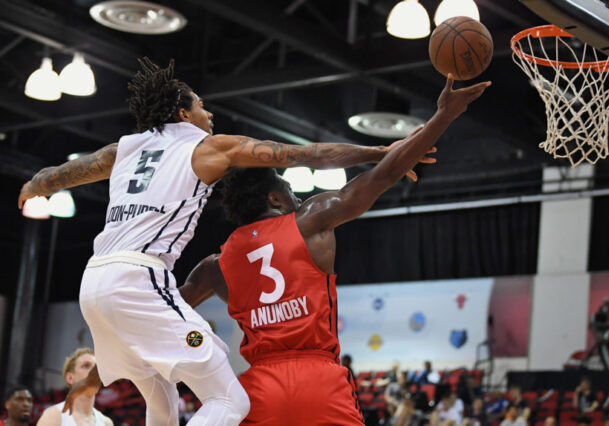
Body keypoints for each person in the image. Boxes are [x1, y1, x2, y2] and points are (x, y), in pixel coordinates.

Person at [17, 58, 422, 426]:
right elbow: (307, 154)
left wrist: (35, 185)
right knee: (230, 400)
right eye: (200, 106)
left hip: (94, 282)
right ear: (182, 114)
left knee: (159, 390)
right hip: (140, 276)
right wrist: (379, 150)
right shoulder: (208, 146)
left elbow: (64, 174)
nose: (208, 113)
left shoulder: (123, 149)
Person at [178, 74, 490, 424]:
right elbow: (384, 176)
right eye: (290, 191)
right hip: (320, 380)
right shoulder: (311, 220)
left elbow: (162, 309)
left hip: (261, 388)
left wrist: (194, 345)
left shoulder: (215, 267)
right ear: (275, 198)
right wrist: (444, 116)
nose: (298, 198)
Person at [36, 348, 113, 426]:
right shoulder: (53, 416)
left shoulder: (107, 423)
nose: (94, 372)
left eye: (96, 368)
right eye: (86, 366)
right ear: (70, 378)